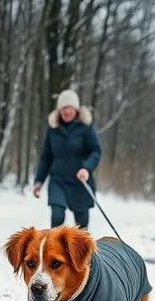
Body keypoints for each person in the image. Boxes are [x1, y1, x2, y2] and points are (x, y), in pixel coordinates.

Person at [32, 89, 102, 229]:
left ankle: (82, 251)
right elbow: (46, 157)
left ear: (76, 109)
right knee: (57, 215)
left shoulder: (86, 128)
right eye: (63, 108)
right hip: (58, 180)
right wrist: (39, 181)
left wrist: (86, 168)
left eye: (70, 107)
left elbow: (96, 151)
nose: (67, 111)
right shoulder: (53, 129)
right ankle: (55, 250)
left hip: (80, 181)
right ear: (59, 110)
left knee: (81, 227)